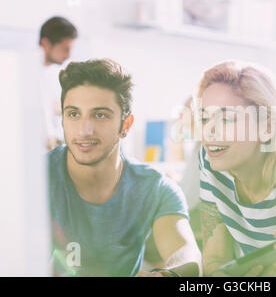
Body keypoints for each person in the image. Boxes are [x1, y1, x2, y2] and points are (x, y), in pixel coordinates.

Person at [48, 59, 201, 277]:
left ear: (125, 125)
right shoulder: (35, 178)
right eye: (73, 114)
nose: (84, 130)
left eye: (100, 115)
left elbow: (187, 255)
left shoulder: (154, 188)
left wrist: (167, 275)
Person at [196, 61, 276, 277]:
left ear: (267, 127)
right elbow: (215, 258)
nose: (208, 132)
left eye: (226, 119)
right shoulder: (210, 161)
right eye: (204, 118)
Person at [38, 16, 78, 150]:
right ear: (45, 44)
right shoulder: (24, 74)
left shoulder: (55, 75)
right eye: (65, 49)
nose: (68, 55)